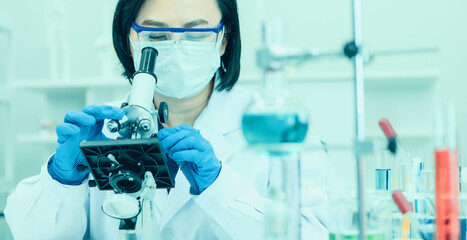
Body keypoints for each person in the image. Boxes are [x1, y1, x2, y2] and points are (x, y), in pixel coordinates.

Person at [4, 0, 336, 239]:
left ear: (224, 39)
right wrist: (63, 178)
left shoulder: (278, 128)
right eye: (157, 35)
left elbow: (315, 234)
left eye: (196, 34)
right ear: (131, 38)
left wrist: (219, 187)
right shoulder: (102, 128)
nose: (176, 47)